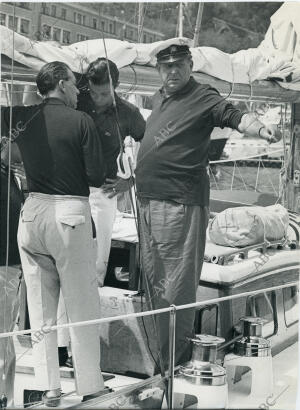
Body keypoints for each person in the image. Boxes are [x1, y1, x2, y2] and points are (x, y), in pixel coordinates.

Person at [135, 38, 281, 371]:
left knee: (175, 286)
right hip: (147, 202)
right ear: (159, 70)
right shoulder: (159, 97)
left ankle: (175, 366)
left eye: (178, 65)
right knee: (155, 285)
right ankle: (164, 363)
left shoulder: (203, 96)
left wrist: (259, 127)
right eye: (166, 66)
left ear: (190, 66)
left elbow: (233, 115)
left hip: (178, 203)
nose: (172, 71)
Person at [1, 61, 106, 406]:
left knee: (41, 308)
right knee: (81, 304)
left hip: (31, 214)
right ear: (61, 84)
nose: (79, 92)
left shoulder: (23, 117)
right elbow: (96, 176)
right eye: (75, 85)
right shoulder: (82, 121)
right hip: (69, 215)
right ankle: (90, 385)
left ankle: (50, 387)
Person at [77, 57, 145, 286]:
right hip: (70, 188)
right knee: (69, 256)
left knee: (98, 260)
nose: (97, 99)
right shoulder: (78, 100)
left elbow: (151, 148)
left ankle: (92, 305)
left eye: (104, 94)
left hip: (104, 193)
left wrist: (132, 179)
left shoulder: (129, 113)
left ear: (115, 86)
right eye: (94, 93)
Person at [0, 142, 23, 408]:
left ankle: (7, 398)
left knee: (6, 337)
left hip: (10, 267)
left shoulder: (10, 174)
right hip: (4, 267)